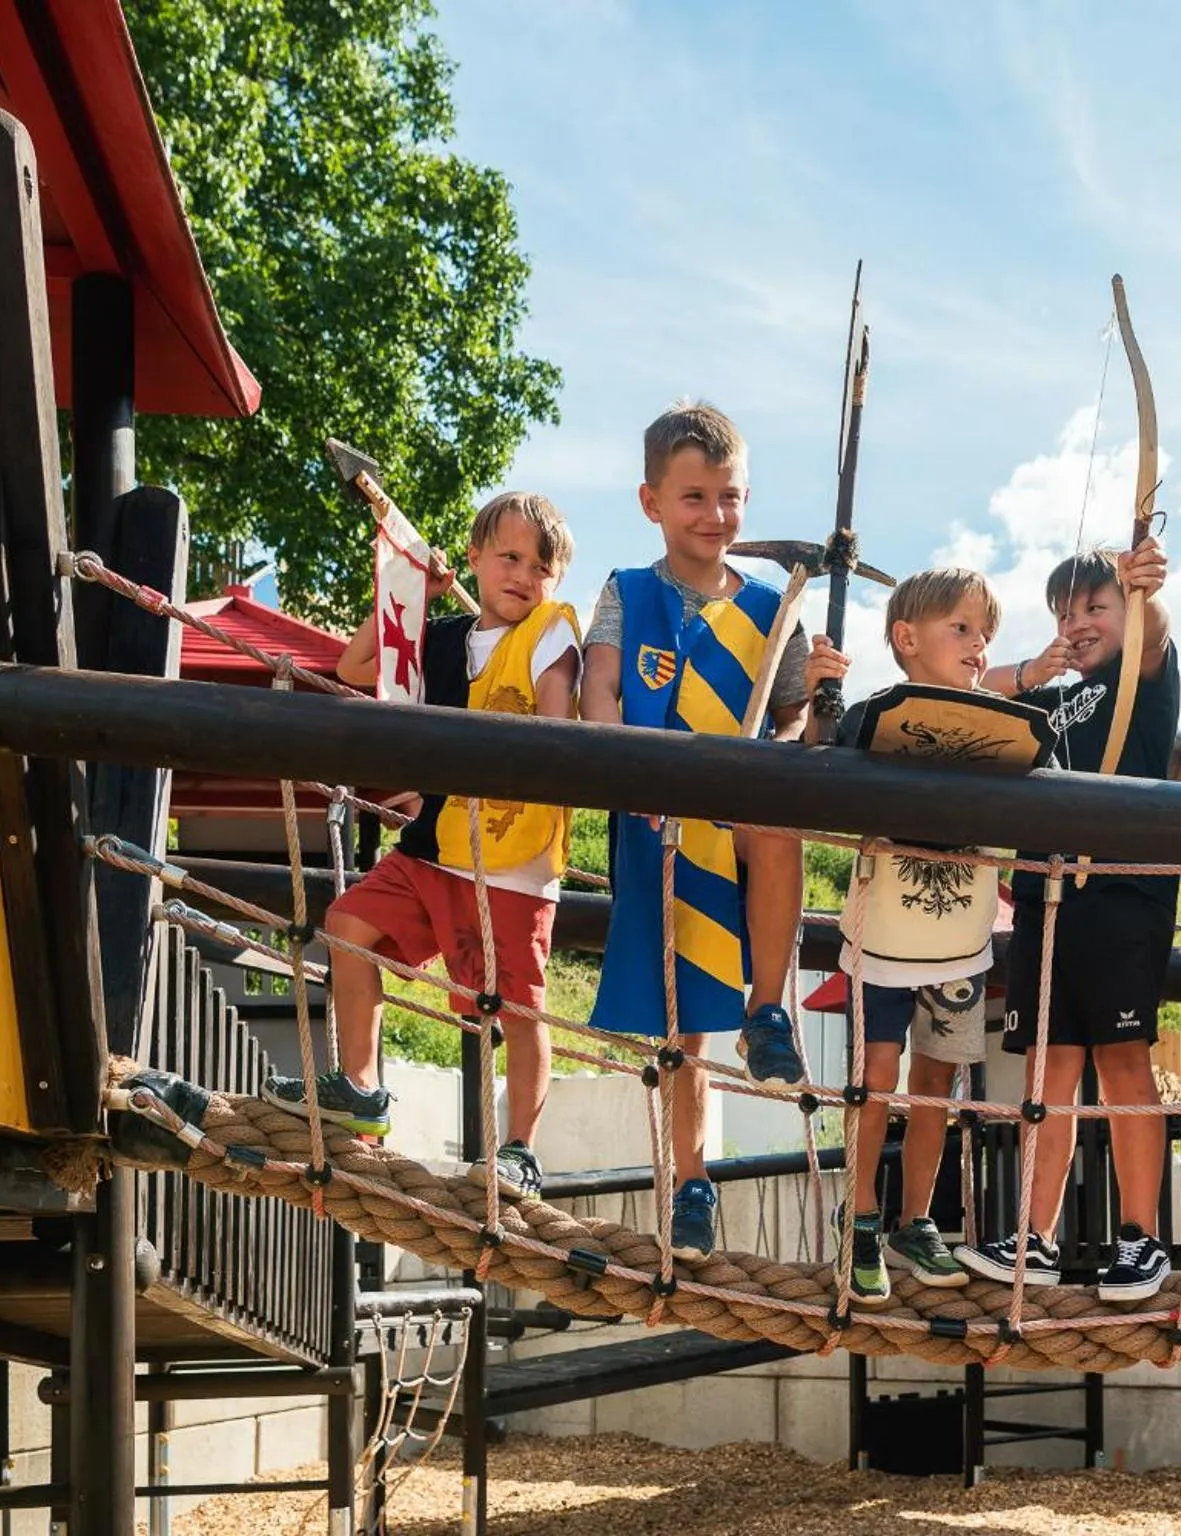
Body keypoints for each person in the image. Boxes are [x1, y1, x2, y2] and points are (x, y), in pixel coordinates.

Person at [264, 492, 581, 1204]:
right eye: (508, 557)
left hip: (512, 861)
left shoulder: (550, 638)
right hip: (434, 846)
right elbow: (353, 667)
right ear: (473, 558)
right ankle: (361, 1086)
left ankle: (521, 1150)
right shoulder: (439, 636)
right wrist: (409, 592)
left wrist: (549, 746)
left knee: (517, 1008)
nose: (523, 576)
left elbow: (559, 713)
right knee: (348, 925)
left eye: (540, 566)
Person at [580, 401, 814, 1262]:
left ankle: (768, 1011)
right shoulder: (628, 592)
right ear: (652, 502)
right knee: (680, 1032)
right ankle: (689, 1180)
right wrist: (623, 767)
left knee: (776, 829)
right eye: (695, 498)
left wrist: (811, 701)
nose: (716, 516)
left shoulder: (769, 606)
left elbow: (792, 723)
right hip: (654, 820)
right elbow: (600, 688)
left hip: (735, 807)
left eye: (730, 497)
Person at [955, 538, 1178, 1303]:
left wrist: (1144, 588)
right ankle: (1033, 1234)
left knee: (1123, 1062)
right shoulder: (1049, 699)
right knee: (1048, 1072)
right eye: (1065, 610)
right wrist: (1030, 671)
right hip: (1051, 898)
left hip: (1123, 896)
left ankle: (1142, 1236)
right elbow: (977, 706)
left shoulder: (1140, 679)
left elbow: (1154, 642)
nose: (1079, 622)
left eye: (1097, 606)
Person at [802, 568, 1016, 1306]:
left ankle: (915, 1218)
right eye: (961, 627)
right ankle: (860, 1217)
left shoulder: (1003, 725)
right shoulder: (874, 715)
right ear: (907, 638)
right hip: (886, 930)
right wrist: (816, 701)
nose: (978, 643)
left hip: (961, 931)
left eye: (984, 632)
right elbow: (821, 765)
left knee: (938, 1081)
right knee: (877, 1076)